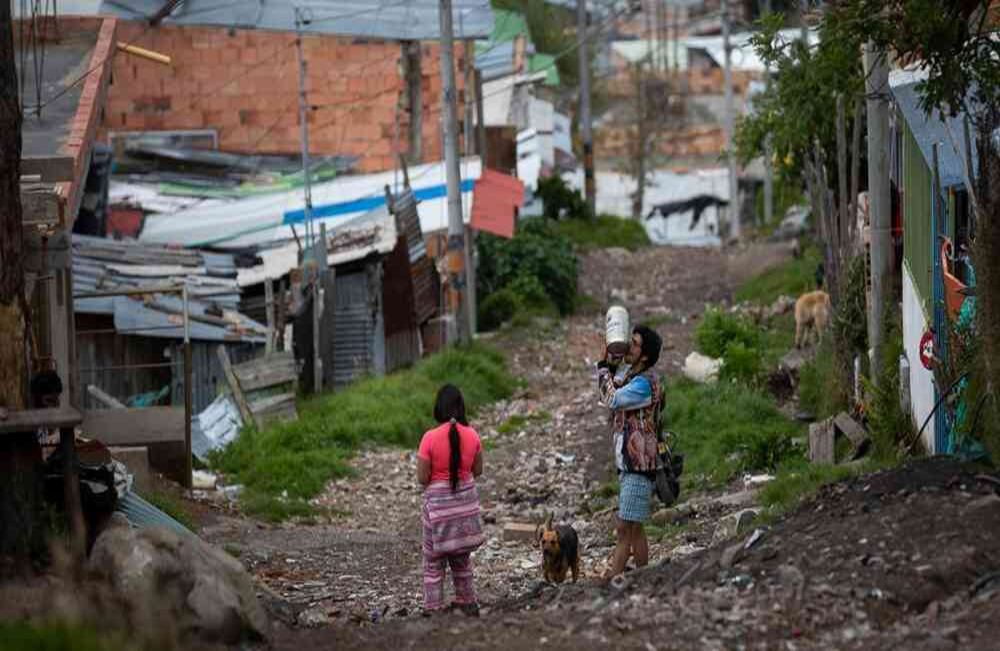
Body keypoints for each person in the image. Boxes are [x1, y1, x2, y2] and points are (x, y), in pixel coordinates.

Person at [597, 324, 663, 579]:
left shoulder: (645, 384)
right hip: (631, 463)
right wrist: (611, 365)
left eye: (634, 344)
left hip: (639, 465)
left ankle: (615, 578)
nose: (628, 346)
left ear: (644, 356)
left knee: (625, 527)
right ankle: (642, 575)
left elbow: (612, 399)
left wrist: (602, 366)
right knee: (635, 528)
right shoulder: (634, 375)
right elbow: (610, 390)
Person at [416, 384, 486, 616]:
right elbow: (478, 471)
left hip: (438, 512)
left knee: (433, 562)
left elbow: (422, 478)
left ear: (439, 407)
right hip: (465, 509)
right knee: (461, 559)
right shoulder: (473, 435)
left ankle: (434, 608)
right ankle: (467, 602)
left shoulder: (429, 438)